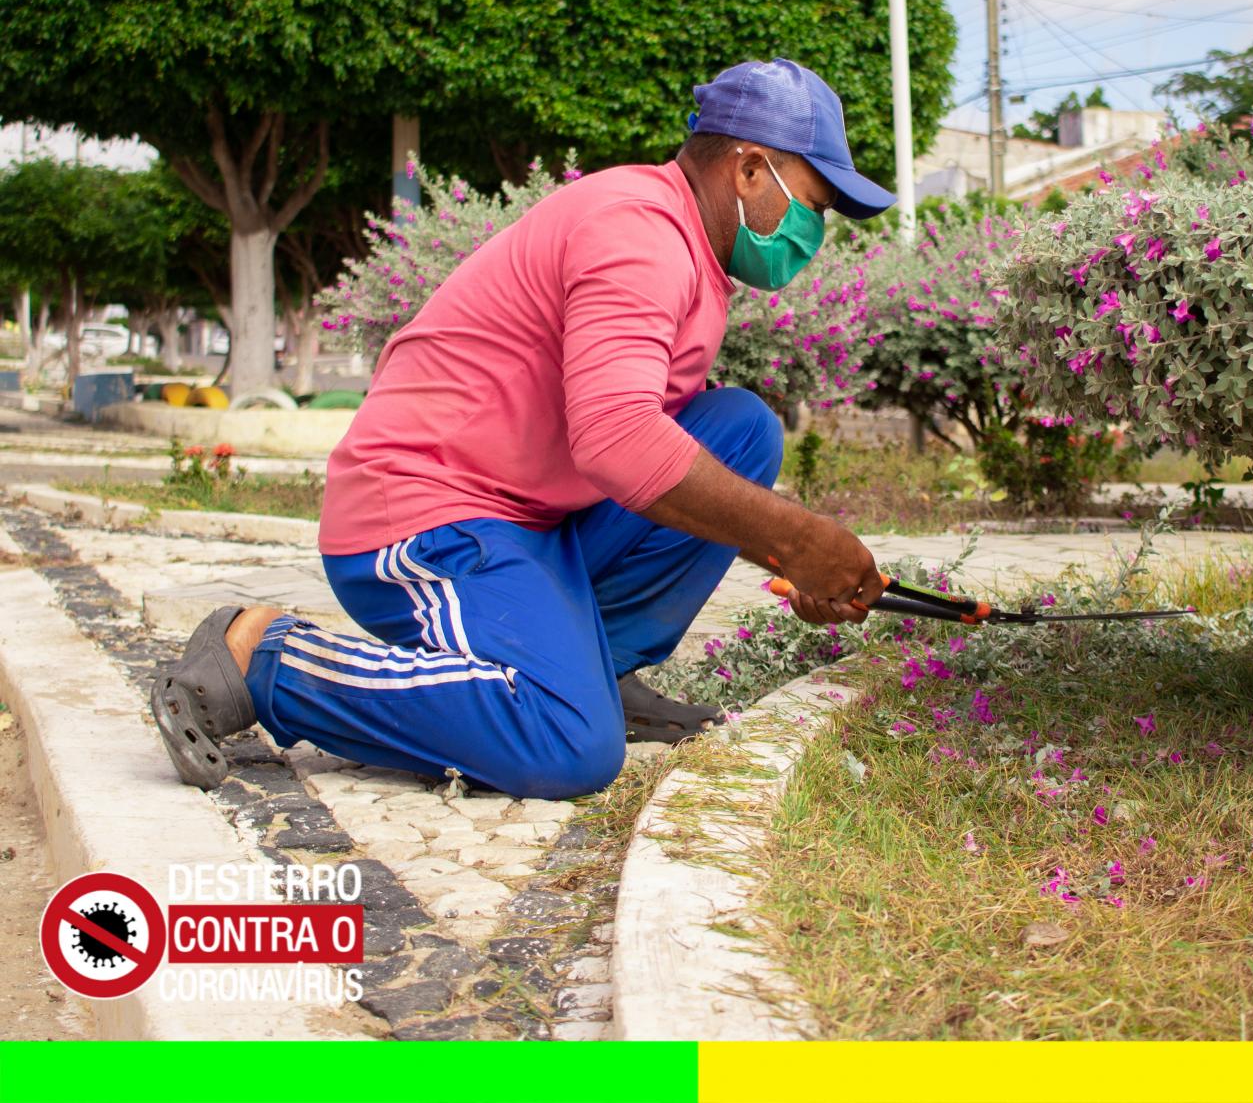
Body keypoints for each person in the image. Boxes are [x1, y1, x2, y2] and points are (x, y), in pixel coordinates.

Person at [150, 59, 890, 799]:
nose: (813, 231)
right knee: (568, 745)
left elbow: (645, 447)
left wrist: (786, 556)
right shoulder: (640, 234)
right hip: (425, 522)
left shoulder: (689, 249)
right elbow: (619, 439)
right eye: (815, 205)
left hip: (526, 519)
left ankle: (593, 667)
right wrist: (795, 539)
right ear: (752, 169)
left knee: (738, 430)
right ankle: (269, 661)